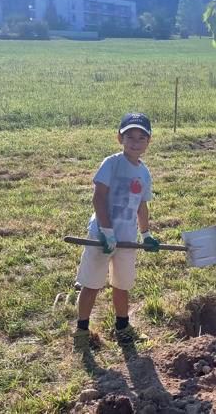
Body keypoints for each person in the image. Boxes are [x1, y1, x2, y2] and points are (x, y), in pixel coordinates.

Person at [73, 113, 160, 352]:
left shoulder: (144, 173)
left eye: (141, 137)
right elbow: (98, 198)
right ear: (120, 138)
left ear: (149, 141)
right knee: (92, 283)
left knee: (122, 284)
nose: (135, 142)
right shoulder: (111, 163)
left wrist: (146, 234)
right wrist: (106, 231)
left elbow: (142, 206)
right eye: (130, 136)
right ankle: (81, 331)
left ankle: (122, 328)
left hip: (126, 239)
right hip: (101, 236)